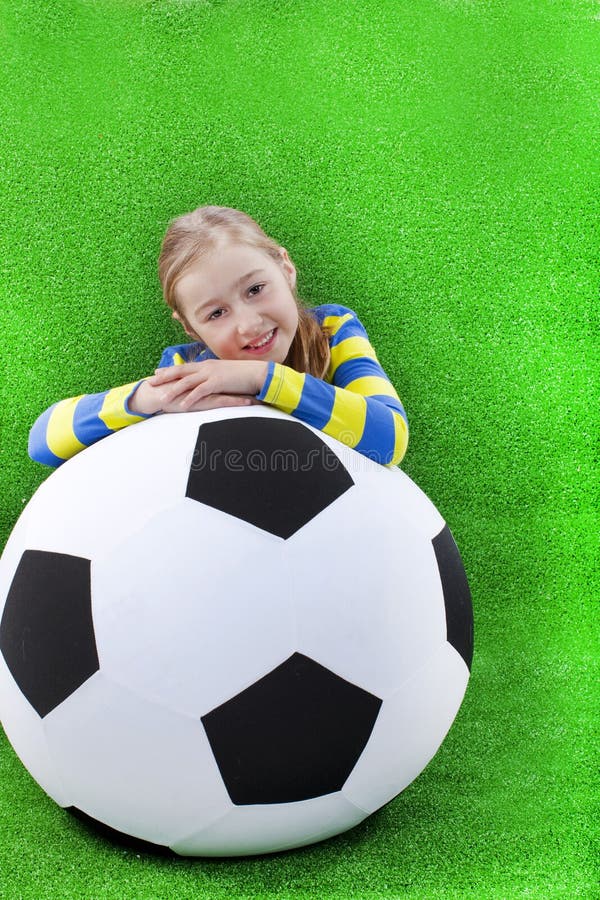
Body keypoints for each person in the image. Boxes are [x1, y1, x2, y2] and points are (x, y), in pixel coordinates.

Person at [28, 206, 409, 468]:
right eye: (216, 313)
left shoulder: (333, 331)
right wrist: (148, 398)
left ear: (286, 269)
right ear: (191, 328)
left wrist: (260, 379)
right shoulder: (187, 372)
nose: (247, 324)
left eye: (256, 289)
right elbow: (43, 441)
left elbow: (389, 438)